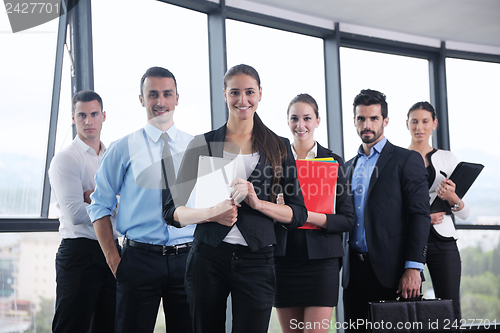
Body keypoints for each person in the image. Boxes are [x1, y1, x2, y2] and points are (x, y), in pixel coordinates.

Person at [163, 64, 307, 333]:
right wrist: (211, 213)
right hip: (207, 258)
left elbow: (298, 213)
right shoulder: (201, 144)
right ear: (225, 94)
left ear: (260, 94)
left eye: (250, 92)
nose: (243, 100)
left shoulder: (279, 146)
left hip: (257, 260)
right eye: (235, 92)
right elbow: (171, 210)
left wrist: (258, 203)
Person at [87, 67, 195, 333]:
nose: (160, 102)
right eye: (153, 94)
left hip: (188, 260)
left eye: (167, 94)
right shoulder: (122, 148)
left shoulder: (196, 147)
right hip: (139, 260)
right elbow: (100, 205)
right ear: (141, 99)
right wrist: (114, 260)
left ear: (177, 98)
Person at [342, 89, 431, 332]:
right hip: (354, 275)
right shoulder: (347, 167)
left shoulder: (406, 159)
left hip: (393, 273)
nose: (367, 124)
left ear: (386, 121)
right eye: (361, 118)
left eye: (373, 118)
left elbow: (419, 216)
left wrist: (414, 267)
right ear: (354, 121)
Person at [274, 94, 354, 333]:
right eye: (294, 118)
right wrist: (276, 206)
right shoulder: (274, 161)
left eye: (307, 118)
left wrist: (303, 214)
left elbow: (347, 219)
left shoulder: (333, 161)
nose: (301, 125)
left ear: (318, 120)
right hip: (283, 261)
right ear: (287, 122)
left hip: (322, 263)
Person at [49, 90, 120, 333]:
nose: (88, 121)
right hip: (80, 254)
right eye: (82, 115)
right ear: (73, 118)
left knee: (109, 325)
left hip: (111, 249)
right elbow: (76, 215)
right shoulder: (66, 159)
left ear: (103, 116)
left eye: (94, 114)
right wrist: (113, 201)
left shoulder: (112, 156)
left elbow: (131, 207)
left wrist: (95, 198)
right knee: (71, 327)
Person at [407, 101, 468, 320]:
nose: (419, 127)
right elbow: (391, 208)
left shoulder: (447, 158)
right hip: (409, 241)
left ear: (435, 124)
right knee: (408, 305)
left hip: (443, 241)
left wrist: (453, 198)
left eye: (425, 121)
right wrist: (423, 218)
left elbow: (464, 213)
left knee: (450, 305)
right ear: (407, 124)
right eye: (414, 121)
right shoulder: (398, 159)